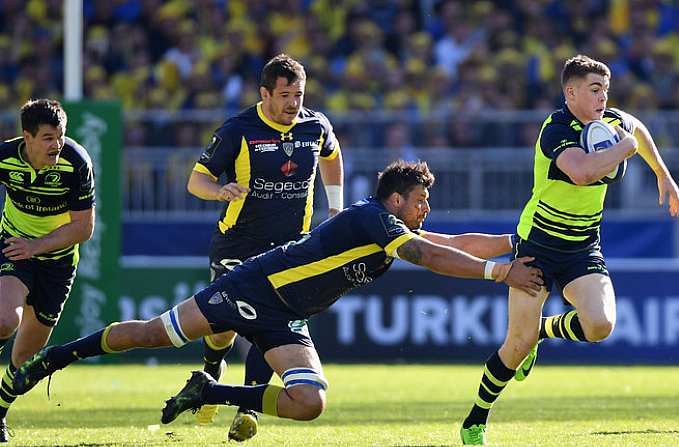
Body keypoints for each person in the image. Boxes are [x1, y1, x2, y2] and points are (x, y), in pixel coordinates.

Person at [12, 160, 544, 442]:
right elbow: (429, 257)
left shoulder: (389, 224)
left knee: (309, 402)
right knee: (153, 333)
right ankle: (51, 359)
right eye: (423, 200)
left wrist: (514, 240)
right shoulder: (372, 218)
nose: (428, 209)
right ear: (397, 199)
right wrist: (500, 273)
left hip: (287, 316)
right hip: (250, 288)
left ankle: (209, 389)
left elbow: (448, 245)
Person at [459, 54, 679, 445]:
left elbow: (639, 128)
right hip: (537, 247)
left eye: (606, 91)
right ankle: (477, 417)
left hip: (582, 246)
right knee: (515, 345)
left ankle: (544, 332)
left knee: (601, 325)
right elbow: (582, 172)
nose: (603, 98)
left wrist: (663, 174)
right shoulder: (556, 129)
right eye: (595, 90)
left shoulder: (611, 122)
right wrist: (625, 148)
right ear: (571, 92)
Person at [186, 53, 344, 441]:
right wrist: (219, 190)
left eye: (300, 94)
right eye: (286, 94)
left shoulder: (315, 126)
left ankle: (245, 409)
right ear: (265, 94)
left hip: (291, 249)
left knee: (265, 323)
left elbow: (333, 156)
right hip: (237, 244)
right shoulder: (239, 129)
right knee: (221, 330)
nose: (294, 103)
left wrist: (336, 207)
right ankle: (212, 370)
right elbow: (196, 180)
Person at [0, 99, 95, 443]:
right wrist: (24, 246)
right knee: (4, 320)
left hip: (58, 262)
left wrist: (37, 246)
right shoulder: (4, 157)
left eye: (60, 136)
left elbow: (84, 229)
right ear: (26, 137)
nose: (57, 145)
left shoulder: (76, 161)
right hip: (14, 248)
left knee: (23, 361)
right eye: (48, 138)